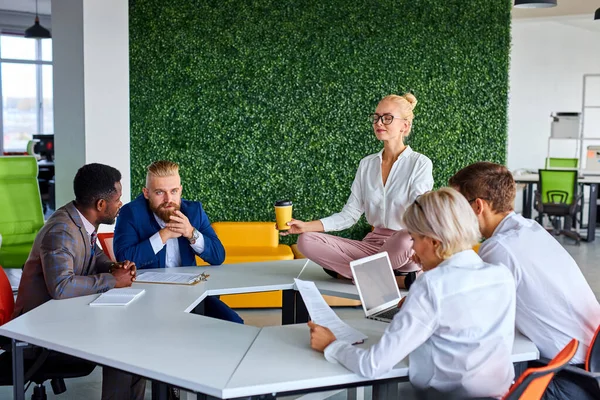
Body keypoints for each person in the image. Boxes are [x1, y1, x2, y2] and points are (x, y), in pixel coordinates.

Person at [308, 188, 516, 399]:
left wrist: (332, 345)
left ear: (434, 241)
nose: (413, 252)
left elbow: (373, 365)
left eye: (414, 240)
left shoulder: (432, 285)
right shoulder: (501, 275)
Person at [449, 162, 600, 400]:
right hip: (590, 365)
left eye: (456, 207)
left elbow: (469, 319)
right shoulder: (531, 229)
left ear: (478, 206)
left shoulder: (499, 249)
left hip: (566, 379)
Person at [13, 163, 145, 400]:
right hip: (40, 332)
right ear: (101, 204)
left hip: (64, 318)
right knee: (122, 345)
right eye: (118, 199)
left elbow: (93, 253)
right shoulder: (62, 231)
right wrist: (113, 281)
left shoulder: (79, 219)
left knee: (133, 339)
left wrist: (114, 267)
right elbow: (61, 287)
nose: (120, 205)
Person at [284, 94, 433, 288]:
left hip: (404, 248)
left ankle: (350, 274)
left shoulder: (420, 163)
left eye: (387, 118)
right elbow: (350, 214)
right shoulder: (367, 164)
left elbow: (419, 212)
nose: (379, 122)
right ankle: (389, 279)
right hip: (371, 245)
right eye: (376, 117)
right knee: (306, 240)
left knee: (406, 237)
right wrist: (306, 226)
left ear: (405, 126)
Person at [113, 160, 242, 324]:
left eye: (174, 191)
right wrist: (163, 235)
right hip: (147, 300)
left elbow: (218, 256)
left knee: (233, 323)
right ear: (146, 193)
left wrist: (190, 233)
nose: (169, 199)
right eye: (160, 192)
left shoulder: (194, 211)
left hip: (191, 295)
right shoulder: (130, 213)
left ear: (180, 190)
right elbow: (124, 258)